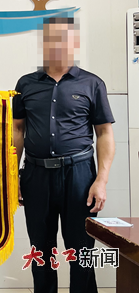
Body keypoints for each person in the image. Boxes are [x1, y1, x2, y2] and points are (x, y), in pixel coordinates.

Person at [13, 17, 115, 293]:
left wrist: (101, 180)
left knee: (81, 251)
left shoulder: (92, 83)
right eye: (50, 38)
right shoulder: (25, 84)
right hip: (36, 175)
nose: (56, 44)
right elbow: (18, 130)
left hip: (79, 175)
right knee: (41, 250)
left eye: (63, 38)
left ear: (74, 42)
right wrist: (13, 175)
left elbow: (104, 133)